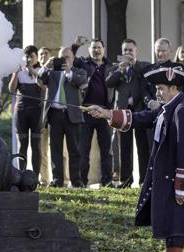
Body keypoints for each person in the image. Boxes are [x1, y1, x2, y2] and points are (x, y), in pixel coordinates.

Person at [84, 67, 184, 252]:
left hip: (179, 182)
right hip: (174, 181)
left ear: (174, 88)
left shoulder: (182, 110)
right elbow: (142, 117)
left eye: (161, 89)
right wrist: (106, 113)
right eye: (157, 89)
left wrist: (182, 187)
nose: (158, 93)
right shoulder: (169, 108)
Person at [38, 46, 88, 188]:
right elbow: (39, 81)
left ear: (73, 59)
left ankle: (76, 180)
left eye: (67, 57)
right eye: (61, 57)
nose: (64, 60)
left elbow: (83, 83)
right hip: (54, 114)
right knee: (55, 149)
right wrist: (46, 67)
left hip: (71, 114)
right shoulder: (52, 73)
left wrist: (68, 73)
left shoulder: (79, 72)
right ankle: (57, 180)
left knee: (74, 149)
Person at [105, 39, 151, 188]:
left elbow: (145, 77)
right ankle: (126, 179)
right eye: (125, 50)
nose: (128, 53)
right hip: (123, 111)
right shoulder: (116, 68)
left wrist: (133, 64)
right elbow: (109, 82)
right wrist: (120, 69)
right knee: (124, 147)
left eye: (130, 50)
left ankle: (143, 179)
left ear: (135, 51)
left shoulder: (143, 66)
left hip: (139, 111)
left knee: (142, 146)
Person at [74, 39, 114, 187]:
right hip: (86, 111)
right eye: (93, 48)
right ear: (89, 50)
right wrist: (76, 46)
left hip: (104, 111)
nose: (96, 50)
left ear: (103, 49)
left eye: (99, 47)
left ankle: (107, 181)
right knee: (83, 150)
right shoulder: (83, 64)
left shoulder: (110, 66)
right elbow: (70, 59)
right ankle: (81, 182)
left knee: (106, 150)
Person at [8, 45, 42, 176]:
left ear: (36, 57)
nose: (29, 59)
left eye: (31, 56)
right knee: (22, 144)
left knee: (35, 144)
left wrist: (31, 70)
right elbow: (11, 90)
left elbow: (42, 85)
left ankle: (35, 176)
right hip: (21, 111)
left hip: (37, 111)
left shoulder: (41, 70)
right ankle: (21, 174)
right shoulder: (19, 72)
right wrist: (15, 73)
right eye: (27, 56)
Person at [37, 47, 52, 185]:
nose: (43, 56)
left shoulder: (54, 71)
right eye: (41, 54)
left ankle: (65, 179)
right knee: (42, 151)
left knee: (62, 150)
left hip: (53, 116)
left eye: (46, 53)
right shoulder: (38, 73)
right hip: (40, 118)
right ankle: (44, 180)